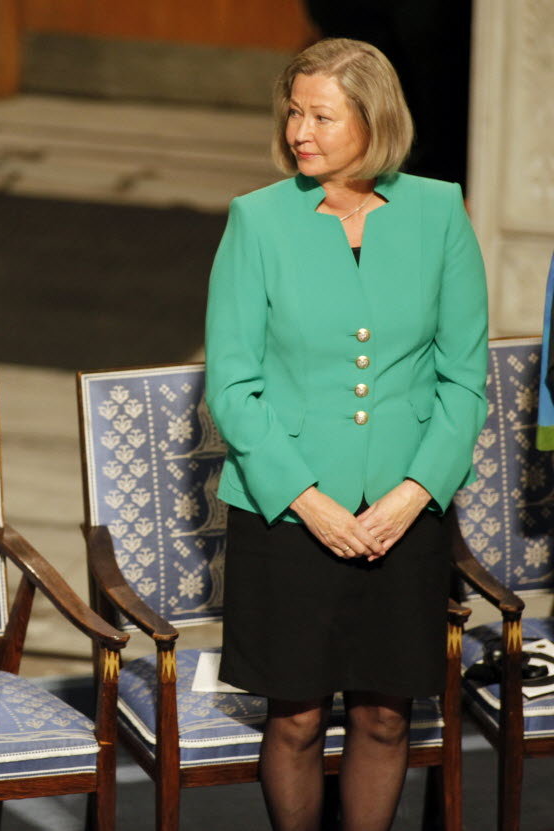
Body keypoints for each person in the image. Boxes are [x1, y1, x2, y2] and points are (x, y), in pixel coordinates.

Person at [204, 39, 487, 831]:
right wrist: (309, 500)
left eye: (321, 115)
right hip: (289, 513)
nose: (300, 130)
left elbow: (464, 380)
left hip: (403, 514)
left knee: (384, 718)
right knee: (293, 719)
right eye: (293, 111)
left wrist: (413, 494)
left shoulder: (439, 213)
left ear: (374, 119)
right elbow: (232, 383)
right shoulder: (257, 220)